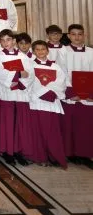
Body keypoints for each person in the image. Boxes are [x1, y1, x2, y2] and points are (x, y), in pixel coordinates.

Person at [0, 29, 34, 165]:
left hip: (21, 95)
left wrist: (19, 78)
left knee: (19, 125)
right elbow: (0, 73)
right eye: (3, 40)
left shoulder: (23, 57)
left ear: (14, 41)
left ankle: (18, 152)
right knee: (8, 125)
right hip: (7, 95)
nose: (6, 43)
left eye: (8, 40)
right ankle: (8, 152)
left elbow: (30, 74)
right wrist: (19, 74)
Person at [29, 40, 67, 168]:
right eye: (37, 49)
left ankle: (54, 156)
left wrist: (51, 92)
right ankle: (40, 157)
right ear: (33, 51)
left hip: (52, 102)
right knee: (39, 131)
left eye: (43, 49)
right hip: (37, 102)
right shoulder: (30, 65)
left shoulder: (55, 66)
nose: (40, 52)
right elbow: (30, 81)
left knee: (52, 132)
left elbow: (61, 81)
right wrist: (45, 92)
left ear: (47, 50)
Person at [60, 24, 93, 164]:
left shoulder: (91, 52)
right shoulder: (63, 51)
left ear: (84, 35)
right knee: (69, 126)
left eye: (80, 34)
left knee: (86, 126)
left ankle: (85, 153)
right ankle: (71, 153)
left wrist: (91, 93)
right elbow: (62, 72)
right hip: (72, 96)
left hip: (88, 96)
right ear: (68, 36)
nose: (77, 37)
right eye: (73, 34)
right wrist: (71, 92)